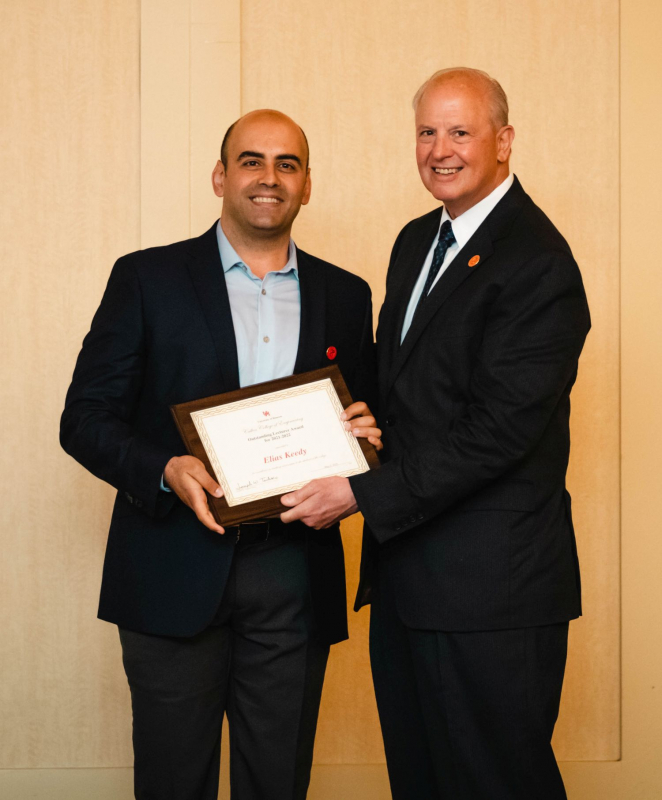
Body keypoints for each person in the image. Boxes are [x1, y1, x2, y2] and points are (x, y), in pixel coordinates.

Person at [281, 68, 591, 799]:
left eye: (461, 131)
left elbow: (496, 433)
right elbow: (418, 391)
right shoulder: (419, 239)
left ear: (503, 141)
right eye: (427, 132)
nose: (440, 150)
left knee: (493, 783)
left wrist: (359, 490)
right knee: (421, 782)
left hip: (492, 595)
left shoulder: (537, 262)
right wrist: (366, 425)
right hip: (409, 582)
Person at [60, 109, 381, 800]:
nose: (270, 178)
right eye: (252, 160)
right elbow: (83, 418)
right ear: (220, 175)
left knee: (278, 783)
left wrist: (366, 441)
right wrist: (165, 470)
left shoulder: (348, 296)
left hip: (295, 574)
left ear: (307, 185)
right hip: (172, 568)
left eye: (287, 164)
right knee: (174, 783)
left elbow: (367, 421)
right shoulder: (147, 279)